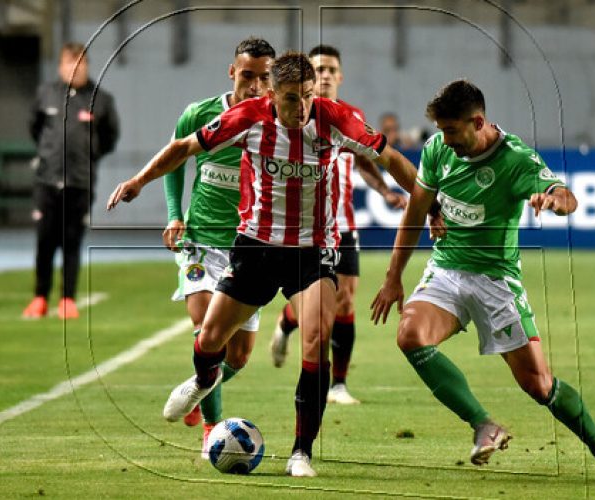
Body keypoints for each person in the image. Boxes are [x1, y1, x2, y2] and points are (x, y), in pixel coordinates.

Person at [106, 52, 417, 477]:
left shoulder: (335, 118)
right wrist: (139, 181)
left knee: (315, 339)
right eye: (292, 99)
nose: (302, 107)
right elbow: (183, 148)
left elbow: (389, 157)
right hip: (255, 248)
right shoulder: (247, 117)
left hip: (313, 252)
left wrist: (427, 202)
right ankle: (201, 382)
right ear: (272, 95)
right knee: (212, 336)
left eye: (307, 96)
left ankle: (301, 452)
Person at [370, 79, 595, 469]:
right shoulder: (438, 149)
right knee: (410, 335)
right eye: (442, 131)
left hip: (496, 282)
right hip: (447, 270)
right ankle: (483, 424)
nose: (446, 139)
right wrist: (393, 277)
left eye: (453, 131)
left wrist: (555, 200)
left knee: (539, 386)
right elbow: (415, 213)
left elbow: (566, 196)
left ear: (478, 122)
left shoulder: (516, 159)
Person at [269, 45, 410, 406]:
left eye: (332, 68)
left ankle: (339, 385)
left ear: (340, 76)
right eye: (321, 68)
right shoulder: (289, 114)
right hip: (301, 228)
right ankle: (287, 322)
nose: (327, 74)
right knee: (318, 309)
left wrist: (384, 190)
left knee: (346, 302)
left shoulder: (349, 116)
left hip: (342, 224)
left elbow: (366, 161)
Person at [161, 37, 276, 456]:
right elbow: (174, 162)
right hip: (199, 243)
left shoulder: (276, 123)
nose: (255, 85)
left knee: (240, 355)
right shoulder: (200, 113)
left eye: (265, 77)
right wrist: (175, 214)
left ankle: (200, 385)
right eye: (248, 75)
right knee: (207, 327)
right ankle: (212, 428)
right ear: (233, 72)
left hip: (247, 248)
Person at [23, 42, 120, 319]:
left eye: (79, 63)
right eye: (68, 63)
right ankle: (40, 297)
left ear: (86, 66)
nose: (74, 69)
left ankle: (67, 298)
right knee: (44, 240)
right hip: (46, 181)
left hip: (79, 182)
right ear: (60, 66)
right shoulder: (46, 94)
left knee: (72, 241)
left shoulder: (100, 99)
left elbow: (109, 137)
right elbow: (35, 128)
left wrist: (89, 156)